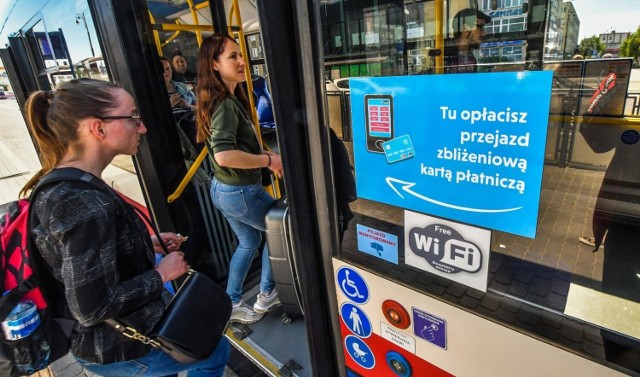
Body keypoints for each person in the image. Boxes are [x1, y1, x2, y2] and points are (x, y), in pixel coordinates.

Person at [21, 78, 230, 376]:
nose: (142, 127)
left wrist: (145, 243)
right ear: (99, 128)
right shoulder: (81, 201)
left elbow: (80, 258)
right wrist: (162, 273)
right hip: (119, 347)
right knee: (214, 352)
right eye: (132, 117)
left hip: (115, 341)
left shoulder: (63, 184)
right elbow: (91, 307)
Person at [195, 34, 283, 324]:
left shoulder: (223, 100)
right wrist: (268, 160)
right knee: (280, 230)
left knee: (248, 243)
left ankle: (231, 300)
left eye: (240, 55)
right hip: (241, 191)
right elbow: (224, 155)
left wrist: (263, 158)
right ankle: (267, 294)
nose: (242, 61)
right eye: (233, 56)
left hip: (223, 190)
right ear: (215, 65)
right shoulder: (225, 105)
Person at [161, 56, 199, 148]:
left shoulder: (183, 87)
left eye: (168, 69)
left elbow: (201, 108)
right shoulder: (152, 93)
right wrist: (169, 106)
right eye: (162, 70)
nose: (166, 73)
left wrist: (188, 105)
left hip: (194, 129)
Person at [444, 8, 491, 73]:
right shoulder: (443, 57)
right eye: (481, 27)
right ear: (465, 28)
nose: (484, 33)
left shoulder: (470, 56)